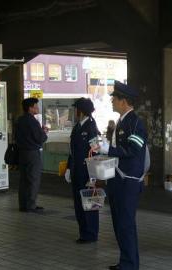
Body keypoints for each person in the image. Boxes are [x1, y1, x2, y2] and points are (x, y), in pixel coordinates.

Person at [98, 80, 147, 270]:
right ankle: (125, 261)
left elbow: (133, 150)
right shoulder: (123, 121)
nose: (112, 101)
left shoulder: (135, 122)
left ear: (124, 101)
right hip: (118, 179)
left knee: (126, 224)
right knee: (119, 223)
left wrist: (108, 149)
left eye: (114, 98)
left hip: (128, 181)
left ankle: (130, 264)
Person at [65, 98, 100, 244]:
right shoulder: (77, 127)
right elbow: (72, 151)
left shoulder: (91, 127)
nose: (74, 112)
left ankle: (91, 233)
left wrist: (93, 176)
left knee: (90, 203)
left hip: (87, 172)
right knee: (79, 203)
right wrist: (68, 167)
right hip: (76, 171)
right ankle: (83, 232)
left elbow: (95, 152)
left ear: (81, 111)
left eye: (75, 109)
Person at [16, 98, 48, 213]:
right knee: (33, 179)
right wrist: (44, 132)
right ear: (30, 108)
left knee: (24, 179)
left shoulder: (20, 120)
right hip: (32, 153)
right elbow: (40, 138)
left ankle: (23, 204)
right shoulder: (32, 121)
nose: (37, 108)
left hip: (22, 153)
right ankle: (31, 205)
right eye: (36, 106)